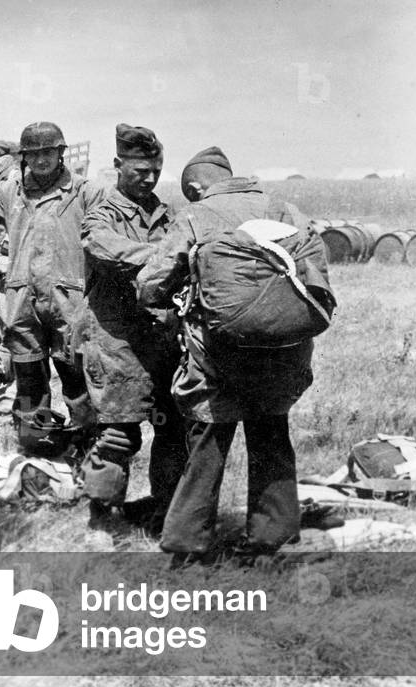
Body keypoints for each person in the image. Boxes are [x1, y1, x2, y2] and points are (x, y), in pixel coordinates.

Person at [138, 146, 334, 561]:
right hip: (282, 355)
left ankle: (188, 549)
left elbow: (151, 284)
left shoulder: (194, 216)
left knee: (207, 446)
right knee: (272, 439)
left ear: (194, 185)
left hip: (216, 357)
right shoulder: (286, 209)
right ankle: (272, 541)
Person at [79, 125, 187, 535]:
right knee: (118, 433)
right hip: (116, 343)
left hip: (162, 341)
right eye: (140, 170)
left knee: (172, 430)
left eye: (155, 171)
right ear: (118, 166)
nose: (148, 178)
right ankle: (103, 517)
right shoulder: (101, 214)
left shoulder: (167, 215)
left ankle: (166, 511)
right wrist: (167, 257)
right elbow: (107, 249)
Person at [0, 121, 103, 453]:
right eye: (34, 154)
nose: (41, 160)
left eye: (49, 152)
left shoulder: (84, 192)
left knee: (76, 379)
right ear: (23, 157)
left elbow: (99, 241)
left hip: (69, 302)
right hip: (22, 301)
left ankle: (88, 448)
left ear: (60, 153)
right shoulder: (6, 194)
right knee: (29, 382)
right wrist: (5, 267)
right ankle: (37, 451)